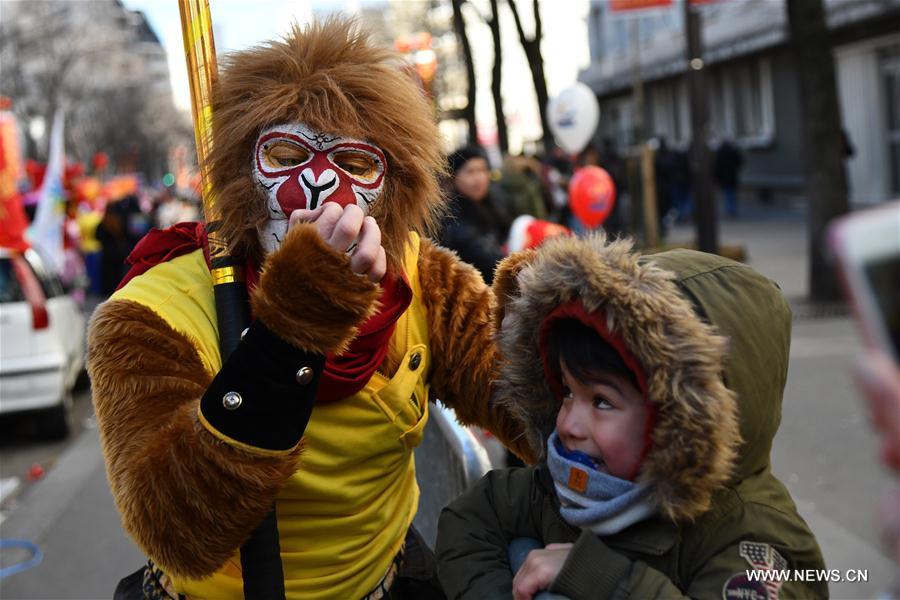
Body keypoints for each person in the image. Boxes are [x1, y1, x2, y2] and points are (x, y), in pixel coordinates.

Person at [88, 19, 533, 600]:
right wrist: (291, 333)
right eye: (286, 153)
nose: (321, 187)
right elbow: (177, 531)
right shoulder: (150, 313)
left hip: (393, 578)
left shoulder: (421, 275)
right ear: (239, 170)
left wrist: (566, 340)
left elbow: (527, 407)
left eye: (355, 165)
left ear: (394, 190)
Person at [436, 233, 828, 599]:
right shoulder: (570, 485)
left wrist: (603, 579)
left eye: (602, 401)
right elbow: (468, 521)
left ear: (680, 417)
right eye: (569, 392)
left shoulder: (754, 541)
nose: (568, 424)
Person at [439, 145, 511, 284]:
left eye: (482, 170)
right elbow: (485, 258)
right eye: (470, 171)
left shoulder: (494, 203)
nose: (478, 178)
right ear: (454, 177)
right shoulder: (450, 216)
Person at [714, 138, 744, 218]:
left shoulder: (720, 152)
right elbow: (739, 162)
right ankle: (733, 210)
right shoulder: (733, 151)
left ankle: (729, 211)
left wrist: (716, 177)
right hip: (732, 177)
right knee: (732, 195)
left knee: (727, 195)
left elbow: (717, 166)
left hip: (724, 179)